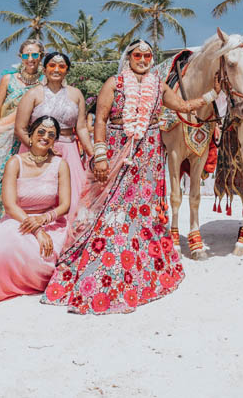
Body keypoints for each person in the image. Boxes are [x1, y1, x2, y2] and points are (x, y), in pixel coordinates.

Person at [42, 39, 216, 313]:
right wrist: (99, 155)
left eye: (148, 55)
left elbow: (183, 107)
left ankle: (137, 267)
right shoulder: (114, 82)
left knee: (141, 212)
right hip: (115, 149)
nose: (144, 59)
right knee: (108, 208)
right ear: (129, 56)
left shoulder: (159, 85)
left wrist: (211, 96)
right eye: (138, 54)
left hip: (148, 156)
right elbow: (99, 119)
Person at [0, 116, 72, 302]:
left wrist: (44, 220)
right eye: (41, 132)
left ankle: (35, 282)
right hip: (17, 219)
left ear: (55, 141)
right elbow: (10, 205)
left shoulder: (60, 165)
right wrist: (37, 230)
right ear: (30, 135)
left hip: (51, 222)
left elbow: (65, 205)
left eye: (51, 134)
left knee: (46, 256)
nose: (45, 137)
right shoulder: (15, 162)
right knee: (3, 250)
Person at [0, 39, 45, 237]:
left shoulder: (45, 83)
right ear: (20, 57)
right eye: (26, 55)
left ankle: (8, 236)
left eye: (35, 55)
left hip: (27, 141)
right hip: (2, 139)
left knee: (17, 187)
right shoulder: (8, 79)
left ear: (41, 56)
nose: (30, 59)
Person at [15, 52, 94, 215]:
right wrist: (39, 149)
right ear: (44, 69)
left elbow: (81, 128)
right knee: (39, 196)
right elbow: (20, 129)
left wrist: (93, 153)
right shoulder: (33, 94)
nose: (56, 69)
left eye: (61, 66)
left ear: (67, 70)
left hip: (67, 150)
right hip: (38, 151)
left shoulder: (76, 94)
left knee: (73, 199)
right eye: (52, 65)